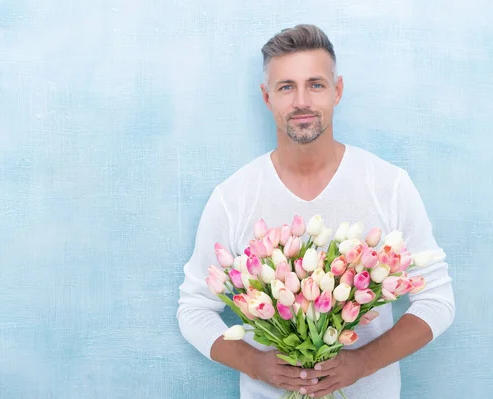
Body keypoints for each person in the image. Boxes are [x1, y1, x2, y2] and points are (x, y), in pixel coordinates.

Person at [177, 24, 455, 399]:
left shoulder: (388, 185)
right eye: (286, 87)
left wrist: (362, 364)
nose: (301, 101)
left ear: (337, 91)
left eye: (316, 84)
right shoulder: (234, 197)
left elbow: (438, 301)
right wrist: (256, 364)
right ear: (267, 97)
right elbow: (193, 310)